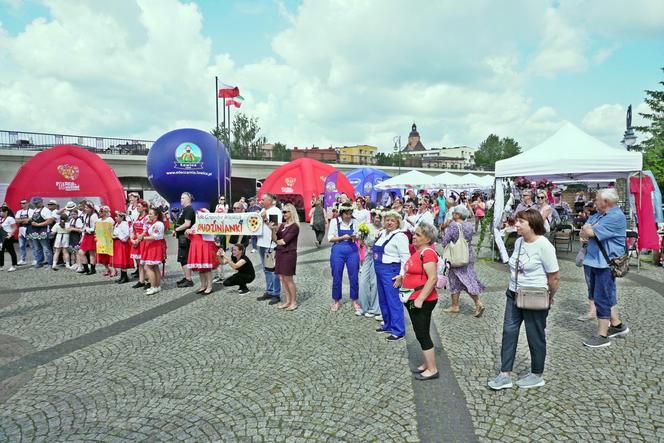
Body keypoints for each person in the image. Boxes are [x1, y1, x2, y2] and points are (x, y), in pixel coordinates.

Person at [488, 209, 560, 390]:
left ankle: (537, 373)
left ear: (532, 225)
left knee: (535, 335)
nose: (516, 224)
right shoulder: (519, 241)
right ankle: (505, 374)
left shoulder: (544, 245)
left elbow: (554, 277)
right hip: (513, 293)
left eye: (521, 222)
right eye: (517, 221)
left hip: (534, 295)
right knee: (508, 332)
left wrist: (550, 297)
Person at [580, 188, 630, 348]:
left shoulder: (615, 216)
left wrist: (588, 230)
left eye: (597, 200)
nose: (594, 202)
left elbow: (589, 231)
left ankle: (602, 335)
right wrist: (587, 230)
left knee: (602, 297)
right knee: (602, 294)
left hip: (605, 264)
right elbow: (585, 228)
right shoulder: (600, 215)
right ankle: (617, 325)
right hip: (595, 261)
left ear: (606, 202)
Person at [403, 222, 440, 380]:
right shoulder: (419, 251)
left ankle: (432, 369)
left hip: (422, 300)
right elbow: (415, 272)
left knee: (422, 333)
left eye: (418, 235)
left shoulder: (428, 253)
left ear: (427, 238)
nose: (414, 237)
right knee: (421, 332)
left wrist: (420, 298)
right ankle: (427, 363)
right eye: (414, 234)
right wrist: (401, 278)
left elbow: (432, 279)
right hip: (413, 297)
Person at [441, 206, 486, 317]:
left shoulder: (453, 226)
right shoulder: (468, 225)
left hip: (456, 256)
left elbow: (444, 242)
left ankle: (477, 303)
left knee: (461, 280)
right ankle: (455, 305)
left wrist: (443, 230)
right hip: (468, 254)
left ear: (457, 215)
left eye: (454, 213)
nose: (452, 215)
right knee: (462, 279)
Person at [374, 210, 410, 342]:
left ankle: (398, 330)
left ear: (398, 223)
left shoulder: (400, 236)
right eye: (387, 220)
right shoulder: (383, 233)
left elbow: (406, 257)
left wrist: (401, 275)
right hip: (379, 268)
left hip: (391, 270)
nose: (389, 222)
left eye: (392, 220)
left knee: (393, 300)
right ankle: (388, 324)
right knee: (383, 299)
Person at [328, 203, 361, 313]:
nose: (348, 216)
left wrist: (356, 237)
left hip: (352, 249)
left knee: (354, 275)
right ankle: (336, 300)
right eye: (346, 214)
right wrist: (342, 237)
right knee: (337, 274)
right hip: (338, 249)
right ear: (341, 213)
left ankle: (354, 300)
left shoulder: (355, 222)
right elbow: (330, 238)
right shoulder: (334, 221)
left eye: (350, 214)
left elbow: (359, 236)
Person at [272, 203, 300, 310]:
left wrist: (278, 241)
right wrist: (273, 230)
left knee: (288, 279)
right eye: (282, 211)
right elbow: (275, 239)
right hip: (280, 253)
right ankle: (288, 301)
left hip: (289, 254)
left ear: (291, 212)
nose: (283, 214)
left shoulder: (294, 226)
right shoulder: (283, 226)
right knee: (282, 278)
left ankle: (293, 302)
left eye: (285, 212)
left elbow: (283, 241)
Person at [256, 193, 282, 305]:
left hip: (270, 244)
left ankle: (276, 293)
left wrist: (265, 218)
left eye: (263, 200)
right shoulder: (262, 210)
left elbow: (275, 228)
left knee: (273, 270)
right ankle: (269, 290)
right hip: (261, 243)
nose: (260, 201)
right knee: (266, 270)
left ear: (270, 201)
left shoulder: (275, 211)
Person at [186, 209, 219, 295]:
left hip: (205, 248)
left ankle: (209, 286)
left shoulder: (209, 224)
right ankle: (203, 285)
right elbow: (189, 236)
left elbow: (213, 237)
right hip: (196, 248)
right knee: (201, 269)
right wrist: (187, 232)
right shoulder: (195, 225)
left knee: (207, 268)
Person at [357, 209, 383, 318]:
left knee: (375, 282)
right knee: (363, 282)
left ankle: (374, 309)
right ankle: (363, 307)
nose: (377, 219)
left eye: (379, 217)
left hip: (378, 257)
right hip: (368, 256)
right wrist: (361, 239)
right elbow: (360, 240)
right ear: (372, 217)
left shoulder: (384, 229)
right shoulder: (366, 226)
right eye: (376, 217)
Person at [140, 207, 165, 295]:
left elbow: (155, 236)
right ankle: (157, 286)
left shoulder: (158, 224)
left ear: (156, 215)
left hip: (154, 247)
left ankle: (153, 286)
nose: (149, 215)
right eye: (149, 213)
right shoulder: (153, 223)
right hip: (151, 246)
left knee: (148, 267)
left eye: (151, 214)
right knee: (154, 267)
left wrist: (143, 238)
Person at [173, 192, 195, 288]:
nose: (181, 199)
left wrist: (176, 229)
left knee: (183, 258)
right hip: (182, 237)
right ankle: (186, 277)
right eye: (181, 198)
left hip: (185, 238)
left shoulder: (189, 209)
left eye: (183, 198)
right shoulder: (185, 209)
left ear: (188, 199)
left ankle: (189, 279)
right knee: (183, 258)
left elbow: (187, 224)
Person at [28, 197, 54, 268]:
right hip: (34, 231)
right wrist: (30, 221)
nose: (35, 204)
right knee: (37, 248)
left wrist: (38, 224)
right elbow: (30, 219)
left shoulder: (46, 210)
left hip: (43, 231)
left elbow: (50, 221)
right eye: (34, 203)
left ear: (41, 202)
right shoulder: (34, 210)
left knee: (46, 248)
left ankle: (50, 263)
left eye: (37, 203)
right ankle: (39, 262)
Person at [130, 201, 149, 287]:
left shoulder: (147, 217)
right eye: (137, 206)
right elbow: (133, 229)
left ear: (144, 208)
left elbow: (146, 230)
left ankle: (149, 280)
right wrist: (132, 239)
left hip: (143, 241)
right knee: (139, 263)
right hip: (136, 241)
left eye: (139, 206)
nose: (137, 207)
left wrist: (138, 240)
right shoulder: (137, 217)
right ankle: (141, 280)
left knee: (146, 263)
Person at [112, 211, 133, 284]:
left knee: (123, 259)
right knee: (120, 259)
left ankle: (125, 276)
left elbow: (126, 234)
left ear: (122, 217)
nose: (115, 218)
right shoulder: (117, 224)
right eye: (115, 216)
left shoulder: (124, 224)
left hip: (122, 243)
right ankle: (122, 276)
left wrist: (117, 236)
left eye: (117, 216)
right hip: (118, 243)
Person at [77, 202, 98, 274]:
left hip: (91, 236)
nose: (85, 209)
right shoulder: (86, 215)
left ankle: (92, 269)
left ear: (91, 208)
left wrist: (85, 230)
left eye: (87, 208)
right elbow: (85, 225)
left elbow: (95, 228)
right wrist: (83, 236)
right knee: (81, 252)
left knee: (91, 253)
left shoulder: (94, 216)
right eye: (85, 208)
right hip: (86, 235)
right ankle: (86, 268)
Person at [95, 206, 115, 277]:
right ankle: (107, 269)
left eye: (101, 211)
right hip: (101, 240)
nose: (100, 213)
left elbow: (112, 229)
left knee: (110, 255)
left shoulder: (110, 220)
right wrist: (96, 236)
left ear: (106, 212)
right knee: (103, 256)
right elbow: (96, 230)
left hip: (108, 240)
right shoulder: (98, 220)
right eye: (100, 211)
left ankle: (113, 270)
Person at [15, 199, 33, 265]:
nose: (22, 204)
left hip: (29, 229)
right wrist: (25, 220)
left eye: (24, 203)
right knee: (21, 245)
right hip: (21, 229)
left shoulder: (31, 211)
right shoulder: (19, 211)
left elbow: (30, 220)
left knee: (32, 245)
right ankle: (23, 259)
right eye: (21, 203)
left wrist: (21, 220)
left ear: (28, 203)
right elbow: (16, 220)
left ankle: (36, 259)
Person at [0, 206, 18, 272]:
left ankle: (14, 265)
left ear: (6, 212)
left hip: (8, 237)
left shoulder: (10, 218)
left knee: (11, 251)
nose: (0, 213)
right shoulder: (1, 219)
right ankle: (1, 266)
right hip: (1, 237)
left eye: (2, 211)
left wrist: (10, 234)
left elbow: (15, 227)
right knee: (1, 251)